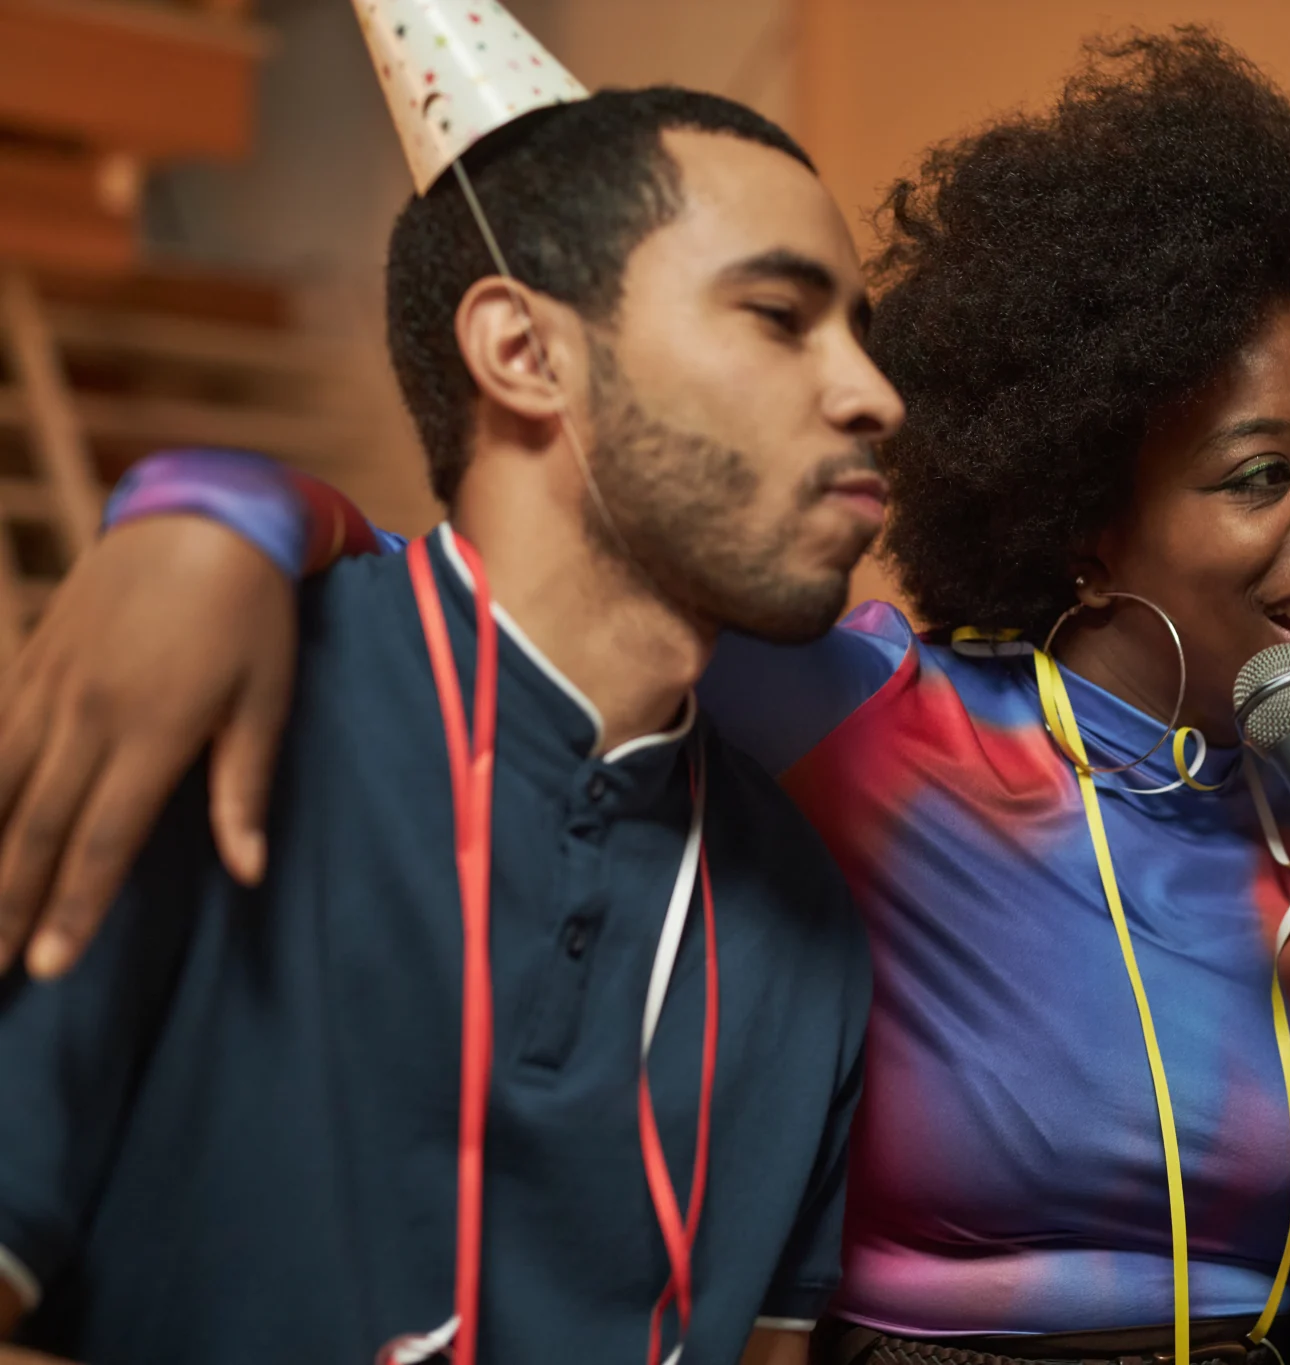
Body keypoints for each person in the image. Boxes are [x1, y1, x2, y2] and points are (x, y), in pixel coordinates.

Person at [0, 32, 1290, 1365]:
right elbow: (493, 577)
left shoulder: (1276, 873)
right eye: (1266, 472)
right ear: (1086, 510)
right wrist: (207, 513)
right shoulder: (872, 730)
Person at [0, 79, 903, 1364]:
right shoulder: (207, 713)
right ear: (525, 354)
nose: (874, 395)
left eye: (860, 335)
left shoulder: (808, 930)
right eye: (778, 317)